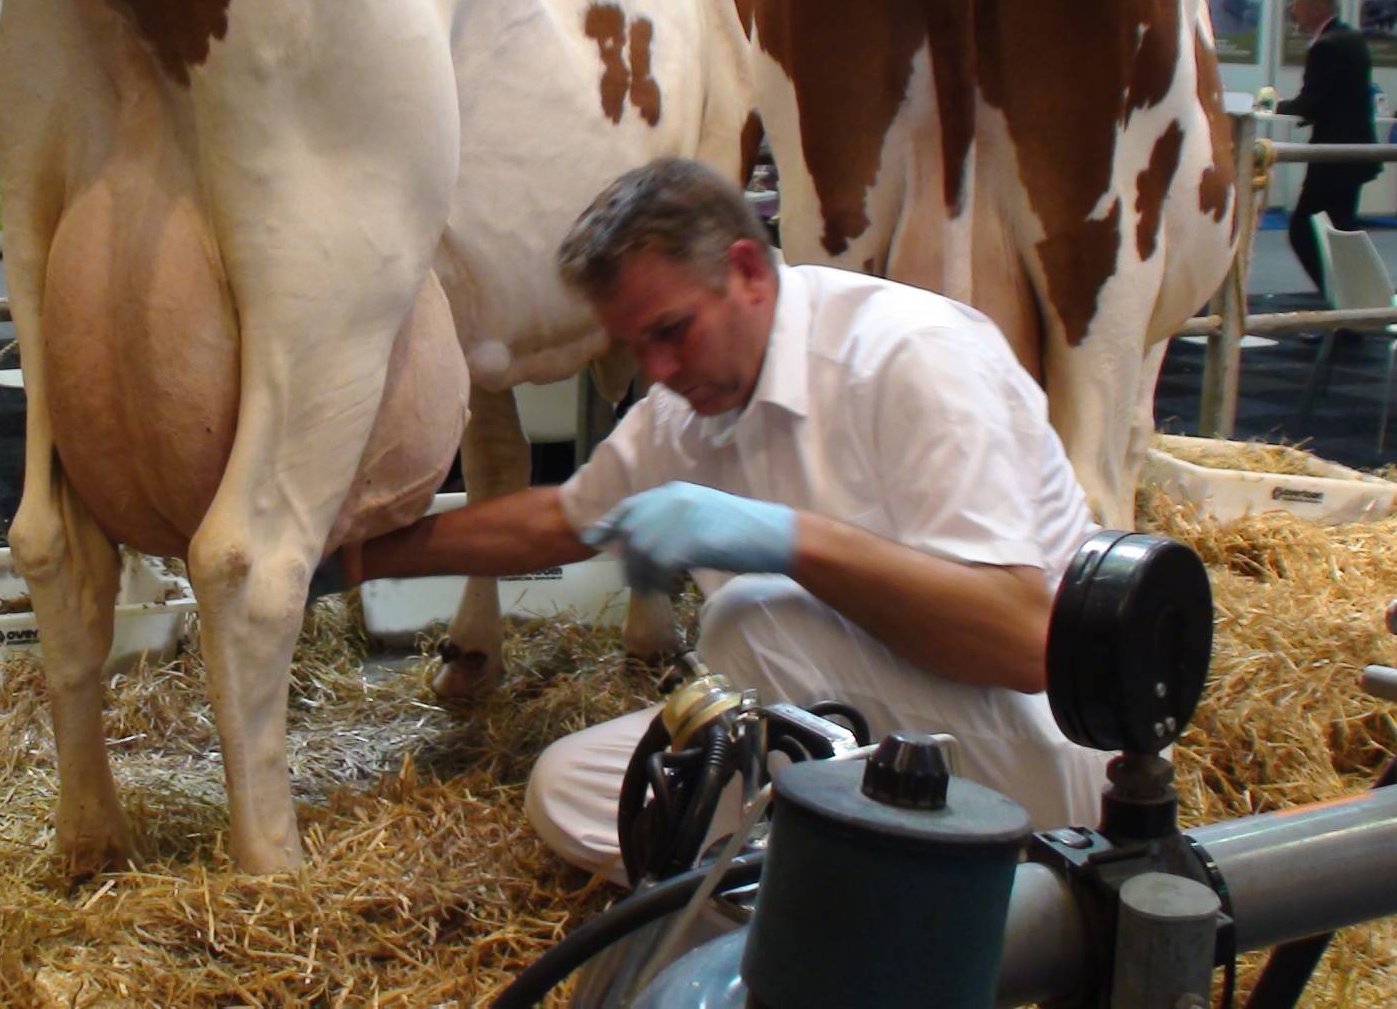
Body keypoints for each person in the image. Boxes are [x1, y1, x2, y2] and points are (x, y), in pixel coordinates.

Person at [324, 158, 1109, 882]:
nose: (656, 372)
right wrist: (356, 558)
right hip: (859, 728)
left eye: (671, 332)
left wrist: (788, 541)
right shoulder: (686, 409)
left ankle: (867, 886)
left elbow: (1025, 643)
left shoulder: (910, 356)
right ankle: (841, 876)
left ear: (745, 271)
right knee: (573, 788)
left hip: (1048, 746)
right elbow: (559, 522)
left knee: (749, 621)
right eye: (636, 347)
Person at [1278, 0, 1379, 298]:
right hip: (1352, 154)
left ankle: (1342, 301)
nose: (1293, 10)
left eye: (1298, 3)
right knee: (1341, 232)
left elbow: (1313, 102)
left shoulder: (1327, 45)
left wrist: (1269, 106)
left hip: (1333, 158)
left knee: (1304, 231)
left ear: (1318, 6)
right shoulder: (1351, 38)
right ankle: (1351, 307)